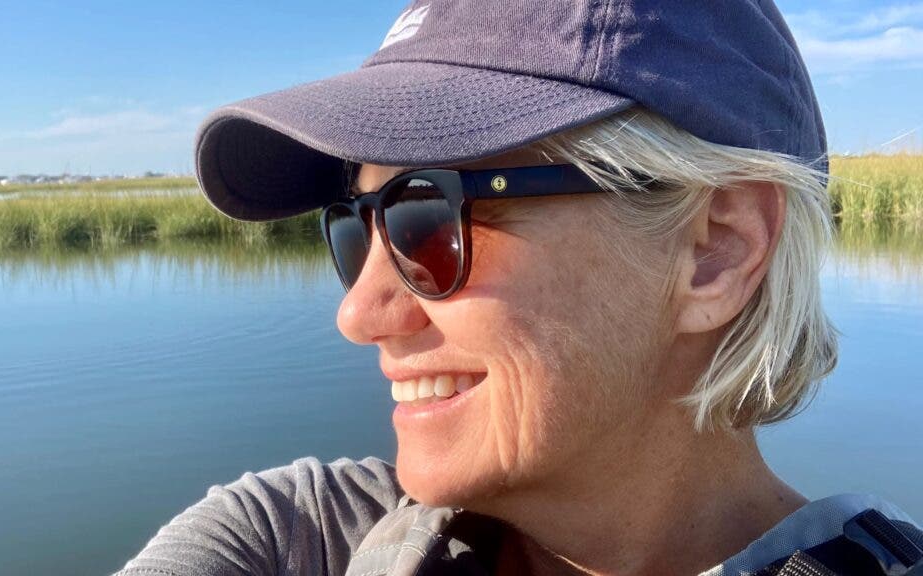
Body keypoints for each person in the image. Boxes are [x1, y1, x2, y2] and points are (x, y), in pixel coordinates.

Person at [117, 1, 923, 575]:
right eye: (354, 223)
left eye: (425, 216)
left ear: (716, 251)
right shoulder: (296, 538)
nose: (359, 314)